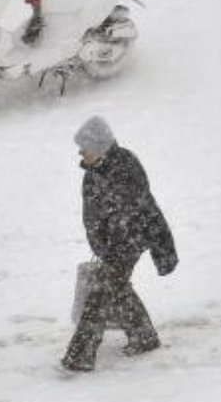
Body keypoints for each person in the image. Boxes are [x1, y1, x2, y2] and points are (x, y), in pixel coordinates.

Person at [61, 116, 178, 373]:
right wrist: (98, 242)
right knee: (118, 289)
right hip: (110, 246)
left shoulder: (125, 166)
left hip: (129, 242)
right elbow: (92, 213)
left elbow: (141, 208)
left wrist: (161, 248)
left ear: (100, 146)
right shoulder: (92, 173)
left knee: (99, 296)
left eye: (85, 147)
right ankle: (144, 336)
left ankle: (79, 357)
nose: (81, 152)